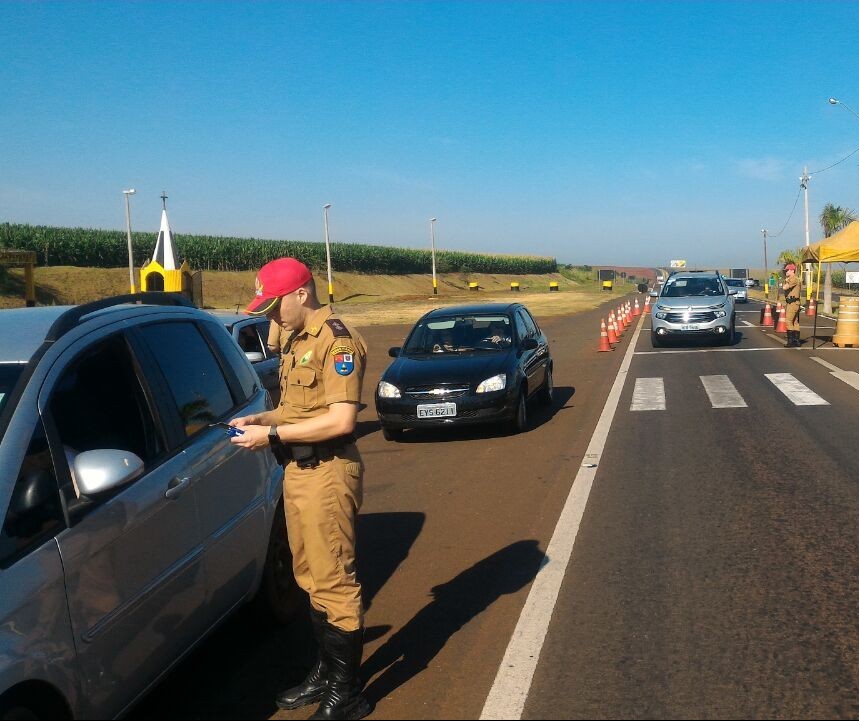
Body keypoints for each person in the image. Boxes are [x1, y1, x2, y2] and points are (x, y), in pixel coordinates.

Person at [229, 258, 371, 721]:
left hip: (329, 473)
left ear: (301, 294)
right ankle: (327, 673)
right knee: (309, 576)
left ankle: (347, 695)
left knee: (335, 582)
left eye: (274, 307)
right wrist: (260, 420)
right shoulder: (295, 340)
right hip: (299, 473)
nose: (271, 317)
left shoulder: (337, 340)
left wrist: (269, 437)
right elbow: (296, 411)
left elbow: (340, 419)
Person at [781, 263, 802, 347]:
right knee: (795, 322)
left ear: (792, 270)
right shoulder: (793, 279)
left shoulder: (793, 279)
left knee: (788, 321)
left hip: (792, 303)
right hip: (793, 302)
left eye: (787, 270)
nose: (785, 272)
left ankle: (791, 340)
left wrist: (786, 280)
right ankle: (796, 341)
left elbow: (785, 287)